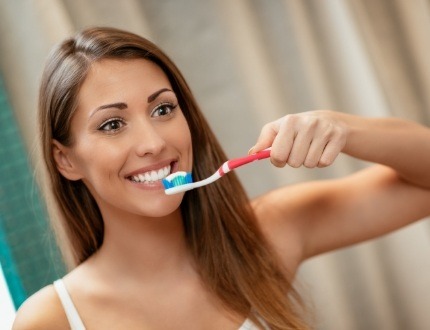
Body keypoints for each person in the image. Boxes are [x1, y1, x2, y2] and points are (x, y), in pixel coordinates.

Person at [12, 26, 430, 330]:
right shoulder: (52, 319)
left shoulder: (264, 236)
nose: (153, 143)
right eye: (112, 125)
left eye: (162, 110)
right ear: (65, 160)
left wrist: (342, 128)